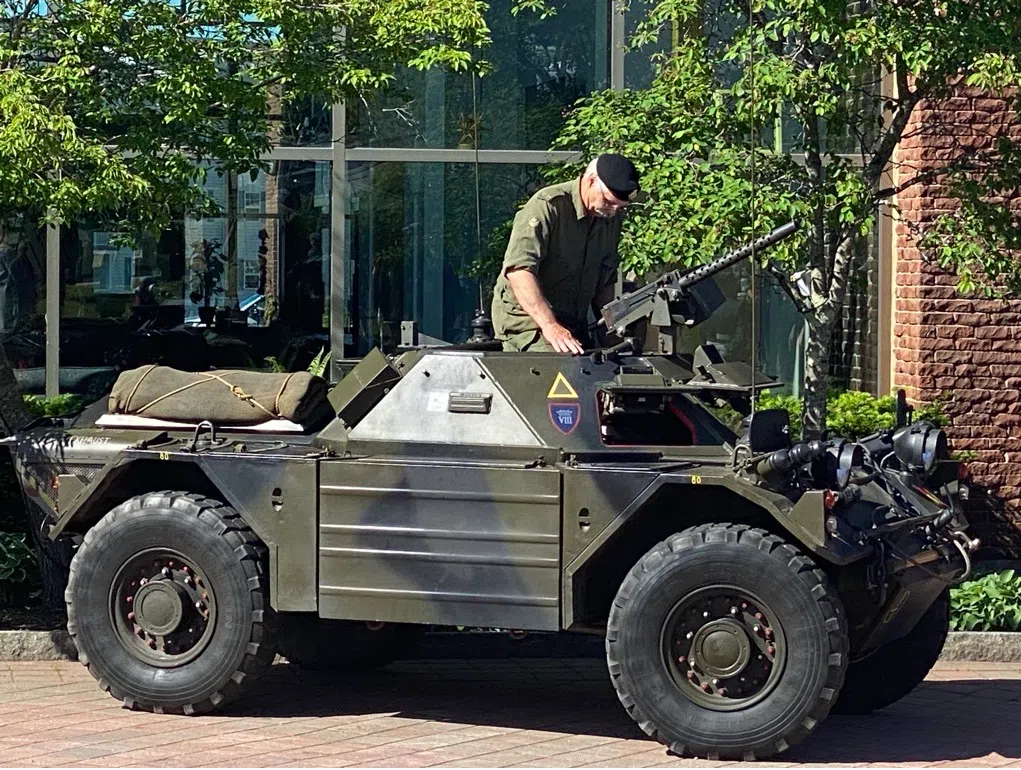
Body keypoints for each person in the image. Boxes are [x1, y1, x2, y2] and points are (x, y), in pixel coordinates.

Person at [490, 153, 641, 354]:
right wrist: (550, 326)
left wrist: (615, 331)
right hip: (527, 321)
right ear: (590, 180)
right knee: (564, 372)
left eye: (619, 207)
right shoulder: (548, 206)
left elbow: (606, 282)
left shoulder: (608, 218)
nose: (613, 211)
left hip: (572, 322)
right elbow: (519, 271)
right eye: (608, 201)